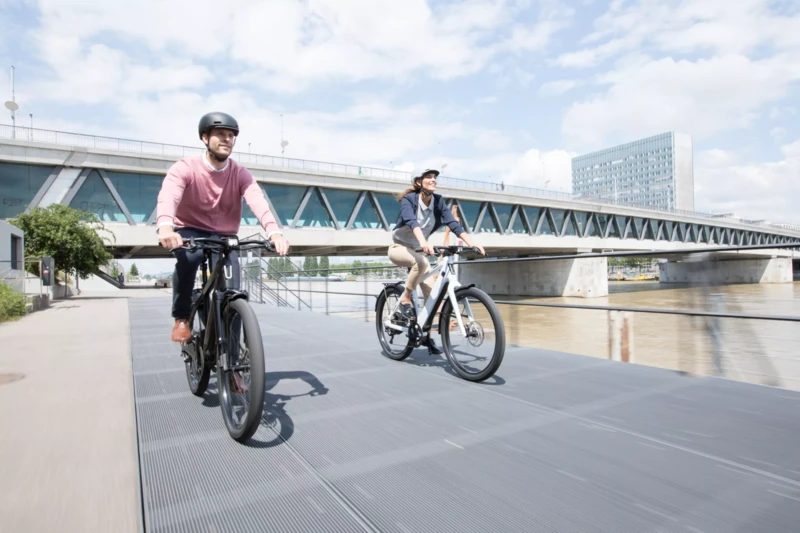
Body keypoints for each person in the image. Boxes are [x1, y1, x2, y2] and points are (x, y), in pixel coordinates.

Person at [155, 111, 290, 342]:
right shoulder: (185, 167)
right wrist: (166, 227)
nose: (227, 139)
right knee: (189, 258)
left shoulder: (240, 174)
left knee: (232, 291)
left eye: (231, 135)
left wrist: (274, 232)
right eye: (220, 134)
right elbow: (169, 196)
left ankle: (234, 359)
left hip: (224, 235)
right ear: (205, 138)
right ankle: (182, 317)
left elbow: (258, 202)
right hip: (190, 228)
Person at [388, 169, 485, 354]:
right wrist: (424, 242)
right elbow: (411, 221)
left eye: (435, 178)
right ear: (419, 182)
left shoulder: (438, 201)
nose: (433, 180)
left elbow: (453, 224)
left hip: (418, 251)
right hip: (399, 248)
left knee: (433, 297)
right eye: (429, 177)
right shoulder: (410, 200)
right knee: (422, 262)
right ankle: (405, 299)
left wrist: (472, 244)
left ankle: (424, 335)